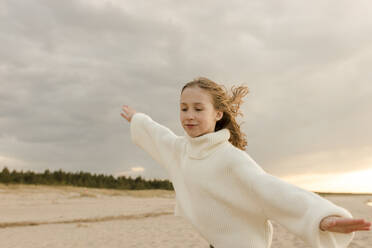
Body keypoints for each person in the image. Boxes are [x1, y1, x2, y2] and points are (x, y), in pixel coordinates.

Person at [120, 77, 371, 248]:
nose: (189, 116)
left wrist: (321, 217)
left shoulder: (230, 159)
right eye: (184, 108)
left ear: (218, 114)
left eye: (198, 108)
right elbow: (158, 135)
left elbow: (272, 190)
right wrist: (137, 119)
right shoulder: (181, 149)